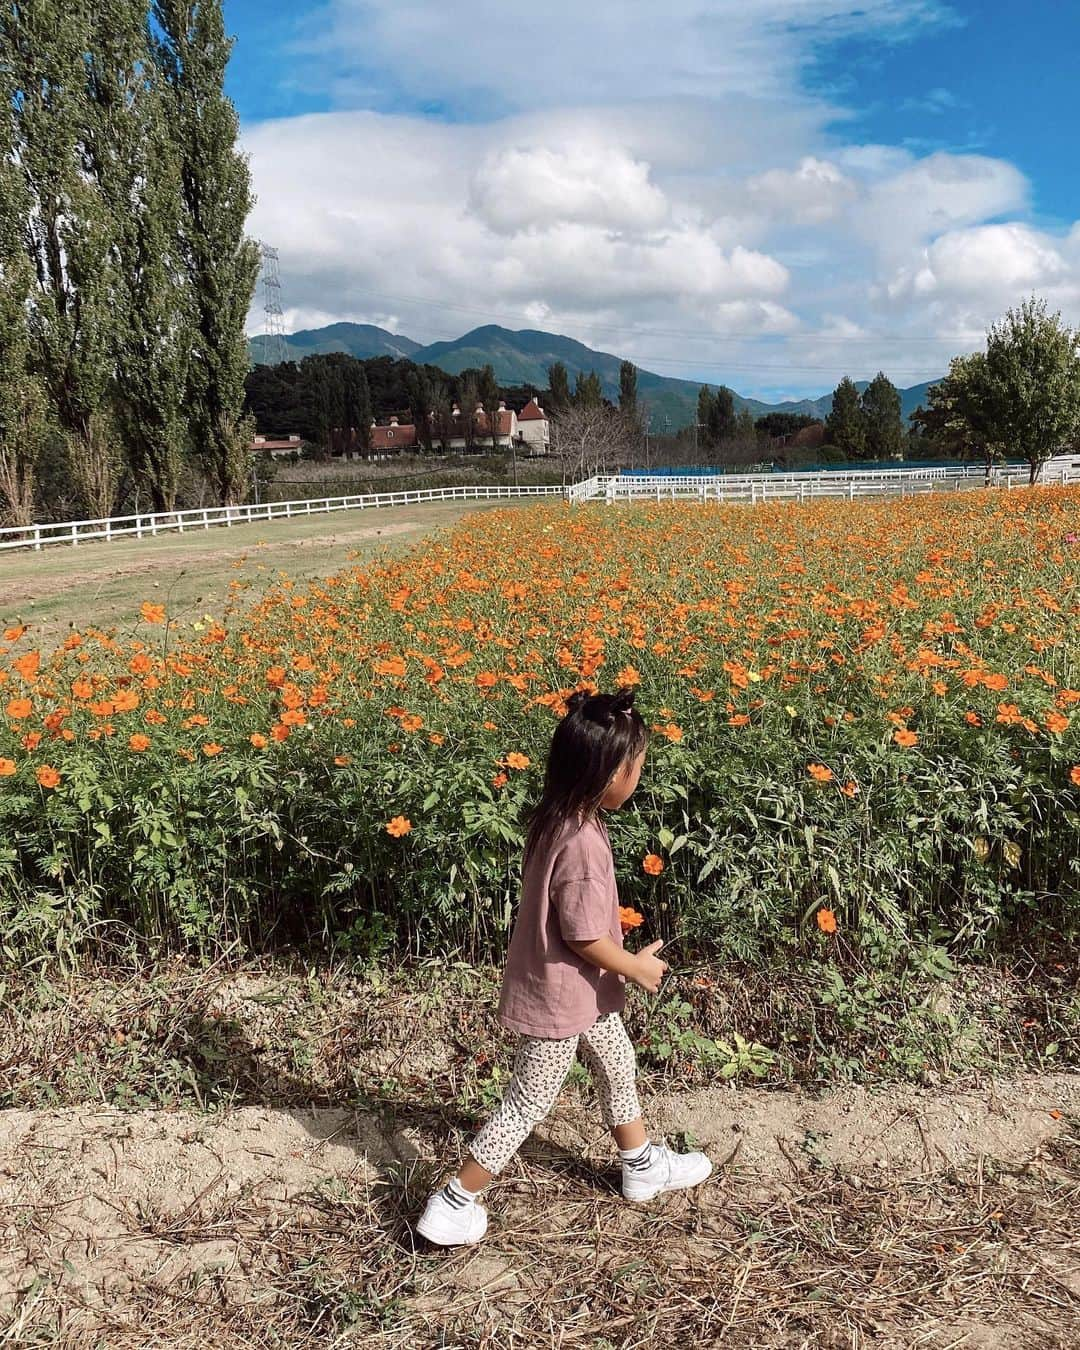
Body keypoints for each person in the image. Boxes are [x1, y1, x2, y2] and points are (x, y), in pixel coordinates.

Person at [417, 686, 712, 1246]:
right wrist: (632, 966)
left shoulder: (560, 818)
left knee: (617, 1061)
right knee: (528, 1101)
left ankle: (641, 1163)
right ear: (610, 773)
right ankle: (455, 1201)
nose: (640, 777)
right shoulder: (581, 843)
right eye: (637, 767)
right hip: (562, 994)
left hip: (579, 991)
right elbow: (581, 935)